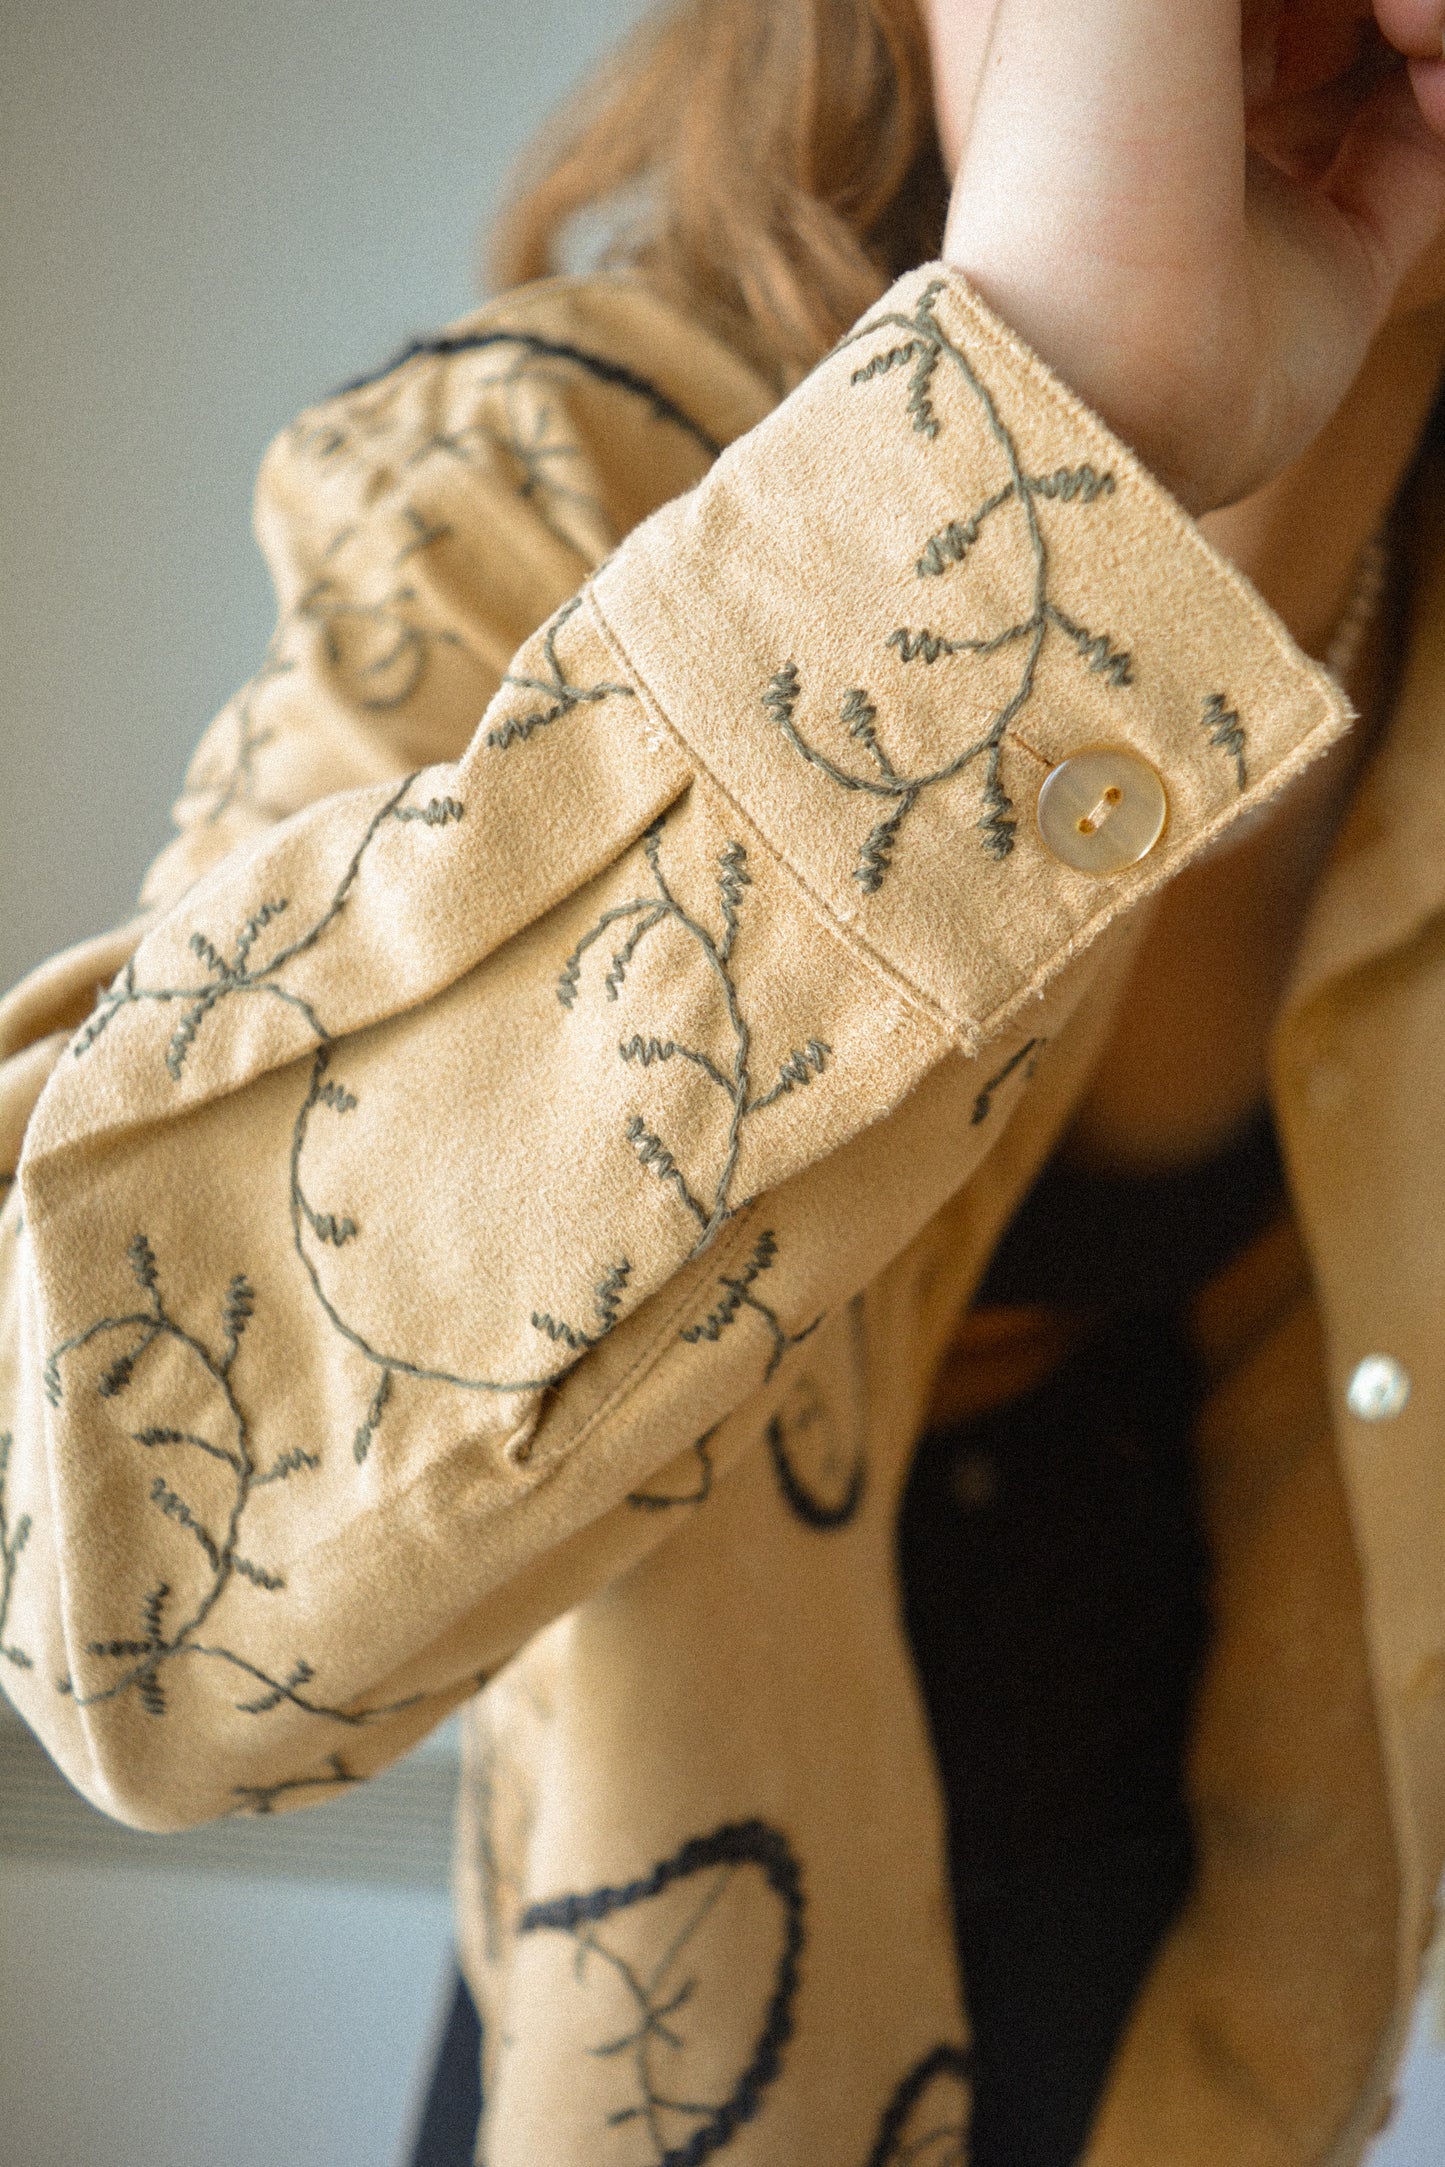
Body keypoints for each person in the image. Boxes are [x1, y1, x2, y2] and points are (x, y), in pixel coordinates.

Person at [3, 2, 1445, 2162]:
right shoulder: (531, 480)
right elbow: (126, 1603)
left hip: (1213, 2026)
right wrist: (1060, 407)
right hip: (672, 2013)